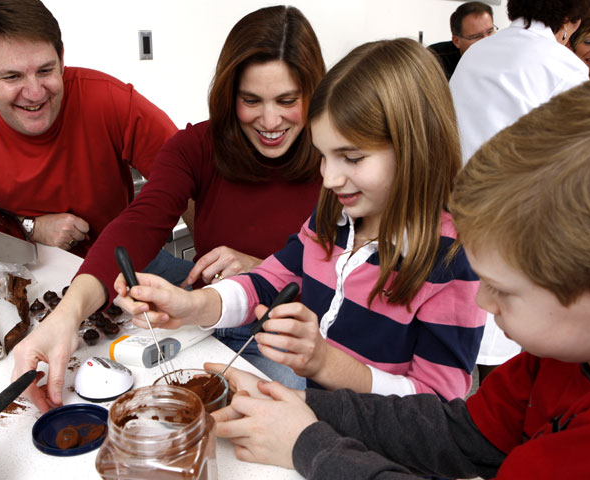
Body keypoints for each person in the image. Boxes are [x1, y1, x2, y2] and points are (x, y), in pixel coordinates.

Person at [210, 75, 590, 480]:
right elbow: (457, 432)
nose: (484, 303)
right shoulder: (550, 364)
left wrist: (307, 444)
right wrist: (296, 407)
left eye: (504, 290)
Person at [117, 38, 485, 401]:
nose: (329, 178)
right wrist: (192, 305)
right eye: (323, 156)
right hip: (318, 424)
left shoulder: (452, 260)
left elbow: (436, 405)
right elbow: (266, 282)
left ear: (415, 148)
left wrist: (324, 363)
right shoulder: (332, 219)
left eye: (352, 158)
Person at [11, 5, 325, 412]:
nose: (269, 120)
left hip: (293, 332)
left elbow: (361, 282)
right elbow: (140, 224)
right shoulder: (195, 147)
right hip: (209, 315)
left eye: (287, 100)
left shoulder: (336, 160)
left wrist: (263, 269)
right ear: (229, 95)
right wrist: (67, 316)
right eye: (251, 100)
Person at [450, 0, 590, 379]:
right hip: (519, 219)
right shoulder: (565, 66)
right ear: (571, 21)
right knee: (508, 340)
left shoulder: (475, 54)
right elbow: (571, 161)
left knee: (469, 326)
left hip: (456, 210)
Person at [0, 0, 178, 257]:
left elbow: (191, 175)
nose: (34, 93)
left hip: (121, 264)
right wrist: (31, 226)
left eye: (45, 70)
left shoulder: (108, 99)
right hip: (13, 270)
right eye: (12, 77)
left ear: (62, 58)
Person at [428, 2, 496, 80]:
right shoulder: (435, 58)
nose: (486, 40)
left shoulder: (505, 54)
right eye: (476, 36)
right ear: (456, 41)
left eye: (490, 32)